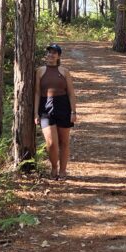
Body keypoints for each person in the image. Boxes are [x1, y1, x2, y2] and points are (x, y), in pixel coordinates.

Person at [34, 43, 77, 179]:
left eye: (54, 53)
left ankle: (63, 170)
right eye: (49, 52)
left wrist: (73, 112)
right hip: (45, 107)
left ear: (58, 56)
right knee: (51, 143)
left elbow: (71, 93)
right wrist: (35, 113)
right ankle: (54, 168)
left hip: (63, 106)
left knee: (64, 141)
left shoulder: (64, 71)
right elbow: (36, 93)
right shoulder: (40, 71)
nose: (50, 55)